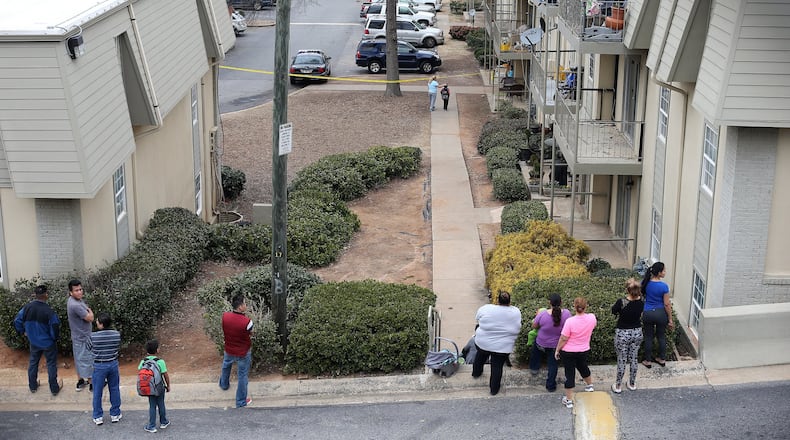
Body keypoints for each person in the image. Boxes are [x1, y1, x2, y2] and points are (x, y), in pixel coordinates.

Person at [13, 285, 63, 395]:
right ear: (46, 295)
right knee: (51, 364)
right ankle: (54, 389)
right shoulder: (49, 311)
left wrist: (23, 332)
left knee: (33, 362)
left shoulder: (27, 308)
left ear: (35, 295)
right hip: (48, 343)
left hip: (34, 341)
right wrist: (54, 339)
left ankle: (33, 386)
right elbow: (54, 327)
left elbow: (17, 321)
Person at [471, 292, 522, 395]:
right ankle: (494, 390)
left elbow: (478, 319)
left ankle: (476, 373)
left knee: (480, 356)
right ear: (509, 302)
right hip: (503, 347)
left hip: (483, 343)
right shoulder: (516, 311)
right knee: (497, 367)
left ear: (497, 300)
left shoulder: (486, 308)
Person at [555, 297, 597, 409]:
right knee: (583, 367)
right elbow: (593, 326)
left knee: (570, 374)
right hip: (583, 349)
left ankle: (568, 400)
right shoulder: (592, 318)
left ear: (574, 307)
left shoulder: (570, 321)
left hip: (568, 352)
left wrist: (557, 350)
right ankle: (590, 385)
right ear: (585, 307)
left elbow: (563, 338)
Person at [529, 293, 571, 392]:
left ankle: (534, 369)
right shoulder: (567, 314)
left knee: (535, 353)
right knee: (553, 365)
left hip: (541, 343)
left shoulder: (542, 314)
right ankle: (550, 386)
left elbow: (534, 326)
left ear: (549, 303)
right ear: (561, 302)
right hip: (556, 346)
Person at [611, 278, 645, 393]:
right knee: (634, 358)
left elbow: (613, 311)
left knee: (622, 359)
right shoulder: (642, 301)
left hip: (623, 333)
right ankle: (632, 383)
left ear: (628, 290)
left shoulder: (622, 302)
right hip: (637, 332)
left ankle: (618, 385)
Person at [220, 294, 254, 408]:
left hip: (229, 348)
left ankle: (224, 384)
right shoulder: (247, 322)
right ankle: (240, 401)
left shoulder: (225, 316)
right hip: (243, 352)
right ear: (240, 307)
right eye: (244, 303)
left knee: (226, 365)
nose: (246, 305)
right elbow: (250, 333)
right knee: (242, 375)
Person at [89, 312, 122, 425]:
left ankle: (98, 416)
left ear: (101, 324)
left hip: (99, 365)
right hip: (113, 364)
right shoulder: (116, 334)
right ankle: (115, 414)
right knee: (114, 388)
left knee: (97, 391)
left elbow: (89, 347)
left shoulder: (93, 336)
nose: (96, 323)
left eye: (97, 321)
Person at [641, 261, 674, 368]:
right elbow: (666, 304)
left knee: (649, 337)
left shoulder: (645, 283)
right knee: (661, 336)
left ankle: (648, 360)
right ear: (659, 273)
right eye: (664, 270)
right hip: (660, 314)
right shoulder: (664, 287)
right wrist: (670, 319)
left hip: (648, 313)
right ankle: (662, 359)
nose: (665, 272)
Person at [67, 279, 94, 392]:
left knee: (79, 360)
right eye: (76, 290)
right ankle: (92, 384)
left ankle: (80, 381)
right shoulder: (75, 305)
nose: (79, 292)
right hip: (83, 337)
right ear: (71, 292)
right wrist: (90, 311)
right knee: (87, 360)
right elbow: (90, 318)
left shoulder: (74, 300)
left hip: (77, 336)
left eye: (80, 289)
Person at [139, 339, 171, 433]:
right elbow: (165, 375)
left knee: (152, 406)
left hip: (149, 387)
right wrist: (168, 385)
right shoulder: (160, 362)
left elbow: (140, 372)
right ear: (157, 350)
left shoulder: (143, 361)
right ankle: (163, 422)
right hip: (159, 386)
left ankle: (152, 426)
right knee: (161, 403)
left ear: (147, 351)